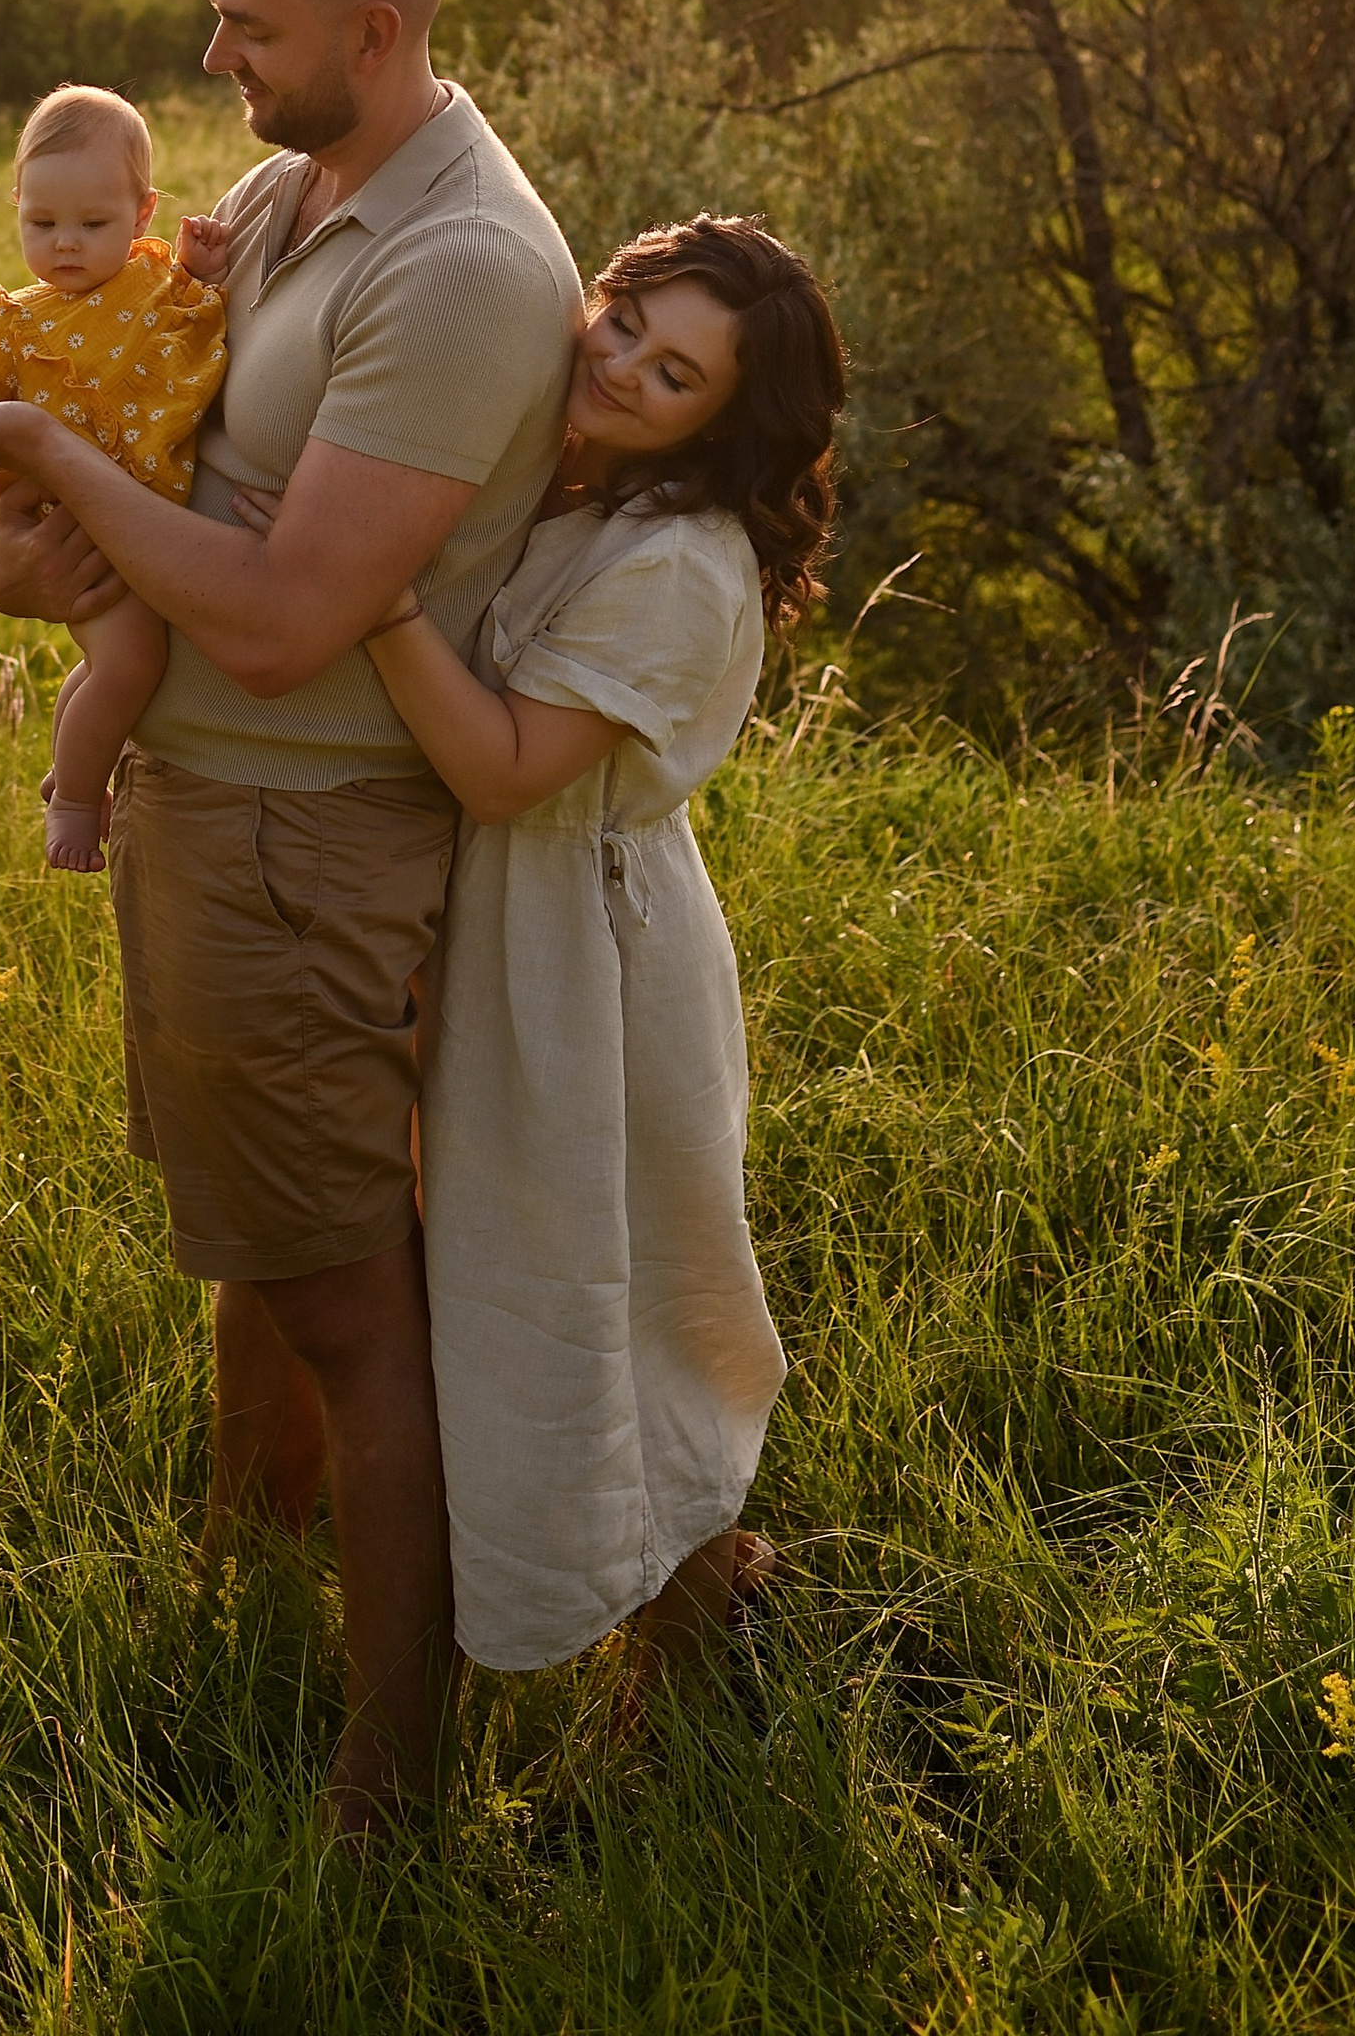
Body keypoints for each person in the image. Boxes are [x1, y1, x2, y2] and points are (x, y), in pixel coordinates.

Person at [0, 0, 580, 1831]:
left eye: (246, 23)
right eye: (211, 13)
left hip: (302, 832)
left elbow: (268, 617)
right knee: (263, 1255)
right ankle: (248, 1578)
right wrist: (35, 549)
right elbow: (169, 459)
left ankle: (387, 1777)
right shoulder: (289, 191)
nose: (214, 49)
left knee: (350, 1297)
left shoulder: (459, 267)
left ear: (369, 25)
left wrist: (47, 464)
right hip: (207, 812)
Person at [347, 212, 844, 1692]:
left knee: (622, 1298)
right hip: (498, 930)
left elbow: (505, 770)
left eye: (676, 371)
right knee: (511, 1293)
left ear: (724, 421)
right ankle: (582, 1609)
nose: (624, 365)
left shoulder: (684, 562)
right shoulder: (573, 486)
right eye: (626, 319)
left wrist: (372, 598)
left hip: (588, 962)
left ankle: (688, 1666)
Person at [0, 84, 230, 872]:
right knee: (130, 666)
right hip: (76, 528)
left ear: (143, 215)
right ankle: (80, 802)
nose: (65, 244)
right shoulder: (15, 319)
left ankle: (73, 764)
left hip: (141, 519)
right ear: (17, 204)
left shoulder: (152, 284)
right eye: (41, 223)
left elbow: (192, 326)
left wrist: (198, 271)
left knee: (104, 670)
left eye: (94, 224)